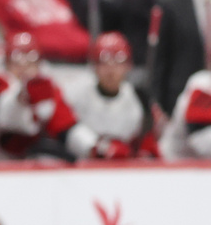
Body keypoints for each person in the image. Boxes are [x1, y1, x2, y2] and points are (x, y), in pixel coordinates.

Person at [0, 31, 81, 161]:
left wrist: (94, 147)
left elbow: (65, 126)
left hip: (27, 166)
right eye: (17, 61)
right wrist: (22, 98)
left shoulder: (47, 87)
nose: (24, 67)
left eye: (30, 60)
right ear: (7, 63)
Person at [63, 31, 158, 160]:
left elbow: (147, 143)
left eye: (118, 62)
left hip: (124, 168)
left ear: (128, 66)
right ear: (94, 66)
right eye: (104, 62)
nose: (111, 70)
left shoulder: (139, 99)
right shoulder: (76, 95)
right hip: (81, 167)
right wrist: (98, 148)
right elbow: (66, 130)